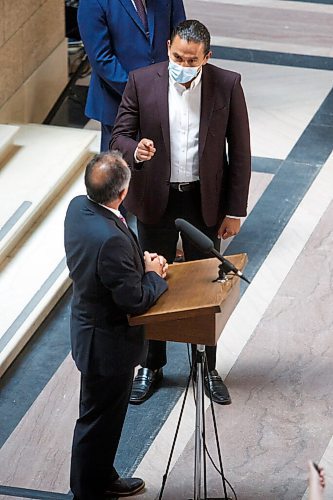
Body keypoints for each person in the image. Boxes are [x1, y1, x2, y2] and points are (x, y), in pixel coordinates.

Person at [111, 19, 251, 406]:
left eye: (192, 60)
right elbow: (119, 134)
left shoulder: (227, 84)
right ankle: (151, 364)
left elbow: (239, 152)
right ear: (168, 47)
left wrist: (235, 210)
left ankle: (206, 366)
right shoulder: (142, 80)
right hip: (155, 198)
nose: (183, 64)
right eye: (177, 56)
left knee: (205, 285)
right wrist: (134, 150)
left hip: (203, 201)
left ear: (207, 57)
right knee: (152, 279)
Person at [64, 151, 168, 500]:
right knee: (96, 422)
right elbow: (135, 300)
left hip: (90, 329)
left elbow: (104, 263)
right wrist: (152, 274)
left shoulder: (80, 208)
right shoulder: (109, 240)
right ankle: (87, 491)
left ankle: (102, 475)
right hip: (106, 345)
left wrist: (136, 260)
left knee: (105, 420)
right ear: (122, 194)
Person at [77, 0, 186, 151]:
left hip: (165, 100)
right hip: (119, 104)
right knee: (119, 170)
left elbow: (181, 36)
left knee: (162, 168)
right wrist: (141, 93)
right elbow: (101, 59)